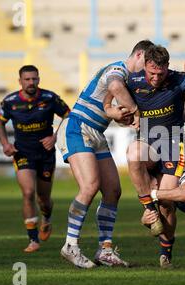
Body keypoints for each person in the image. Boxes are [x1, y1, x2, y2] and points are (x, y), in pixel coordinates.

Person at [56, 40, 155, 269]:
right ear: (138, 54)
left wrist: (124, 118)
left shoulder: (131, 82)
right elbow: (115, 88)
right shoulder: (117, 69)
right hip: (77, 127)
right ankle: (70, 245)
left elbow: (112, 110)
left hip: (96, 133)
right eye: (147, 62)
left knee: (113, 190)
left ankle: (105, 250)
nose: (148, 70)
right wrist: (137, 113)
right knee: (90, 186)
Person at [125, 44, 185, 267]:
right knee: (133, 152)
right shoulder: (133, 81)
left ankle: (166, 253)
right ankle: (148, 209)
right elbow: (109, 105)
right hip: (147, 142)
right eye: (152, 73)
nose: (156, 78)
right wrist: (123, 115)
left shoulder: (180, 80)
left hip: (170, 144)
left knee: (167, 204)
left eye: (160, 73)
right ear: (145, 66)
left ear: (167, 68)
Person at [0, 65, 70, 253]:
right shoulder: (10, 102)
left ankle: (47, 218)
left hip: (45, 154)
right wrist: (5, 143)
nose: (31, 82)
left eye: (34, 79)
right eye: (27, 79)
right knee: (28, 192)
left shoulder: (49, 98)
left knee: (43, 199)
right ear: (20, 81)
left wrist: (54, 137)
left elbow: (69, 116)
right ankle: (33, 240)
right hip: (22, 153)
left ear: (39, 79)